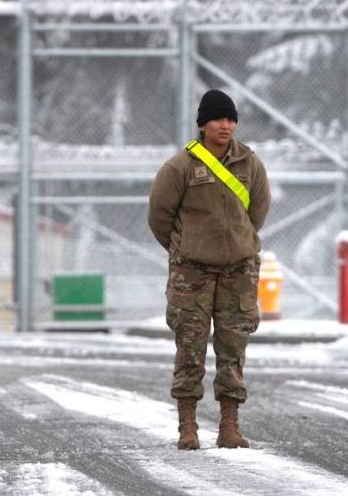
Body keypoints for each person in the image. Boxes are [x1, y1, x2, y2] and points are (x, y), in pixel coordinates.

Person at [148, 88, 270, 450]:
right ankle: (188, 427)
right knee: (190, 346)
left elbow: (258, 211)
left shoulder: (250, 163)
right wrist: (185, 248)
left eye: (231, 119)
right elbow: (159, 217)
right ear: (203, 124)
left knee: (233, 348)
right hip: (192, 273)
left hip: (238, 270)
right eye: (218, 118)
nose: (226, 125)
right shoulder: (180, 167)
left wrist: (237, 241)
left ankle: (229, 427)